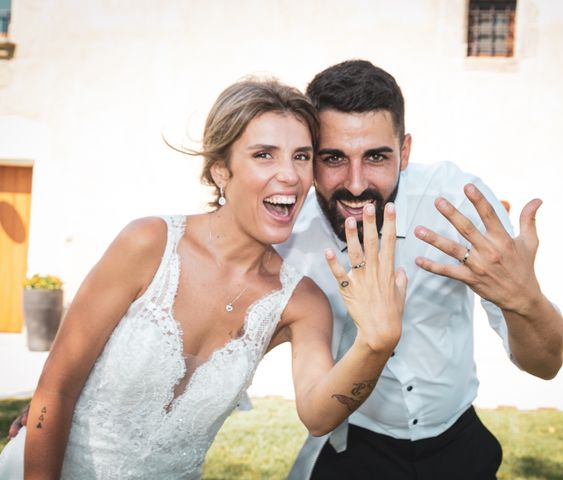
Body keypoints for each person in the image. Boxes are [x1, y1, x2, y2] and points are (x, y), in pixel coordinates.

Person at [0, 78, 408, 479]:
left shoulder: (301, 302)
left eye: (301, 156)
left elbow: (319, 416)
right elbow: (56, 390)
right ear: (220, 170)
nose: (289, 175)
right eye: (264, 154)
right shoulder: (148, 244)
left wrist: (374, 345)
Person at [277, 60, 563, 479]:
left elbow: (546, 365)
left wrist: (526, 301)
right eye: (334, 158)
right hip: (353, 444)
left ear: (406, 151)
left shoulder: (458, 203)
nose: (356, 184)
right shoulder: (291, 234)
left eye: (377, 157)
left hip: (458, 442)